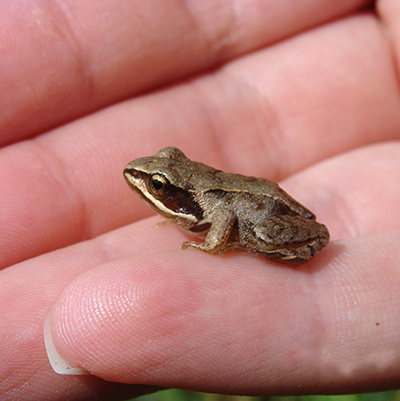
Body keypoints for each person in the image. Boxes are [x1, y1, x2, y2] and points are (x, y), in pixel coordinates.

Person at [1, 1, 400, 400]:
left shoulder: (209, 206)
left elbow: (223, 210)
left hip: (262, 211)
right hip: (257, 192)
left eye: (158, 184)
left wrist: (212, 246)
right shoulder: (187, 194)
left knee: (258, 232)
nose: (148, 183)